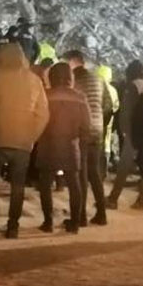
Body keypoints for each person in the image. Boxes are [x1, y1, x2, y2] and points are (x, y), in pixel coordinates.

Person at [0, 42, 49, 238]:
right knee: (18, 185)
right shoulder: (34, 80)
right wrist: (32, 136)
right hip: (23, 142)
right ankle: (12, 226)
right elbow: (43, 114)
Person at [35, 63, 92, 234]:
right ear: (70, 77)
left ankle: (48, 222)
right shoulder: (80, 97)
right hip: (70, 144)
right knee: (74, 185)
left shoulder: (45, 96)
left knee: (45, 184)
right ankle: (74, 223)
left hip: (48, 144)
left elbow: (38, 119)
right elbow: (86, 125)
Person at [64, 50, 110, 226]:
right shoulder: (98, 79)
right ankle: (102, 213)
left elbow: (72, 106)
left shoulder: (74, 80)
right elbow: (107, 105)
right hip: (97, 129)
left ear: (73, 62)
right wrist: (99, 120)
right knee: (94, 173)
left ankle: (80, 216)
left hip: (82, 131)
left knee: (81, 173)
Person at [107, 60, 143, 209]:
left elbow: (126, 112)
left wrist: (125, 132)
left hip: (135, 131)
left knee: (124, 167)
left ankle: (113, 199)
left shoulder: (133, 86)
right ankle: (141, 201)